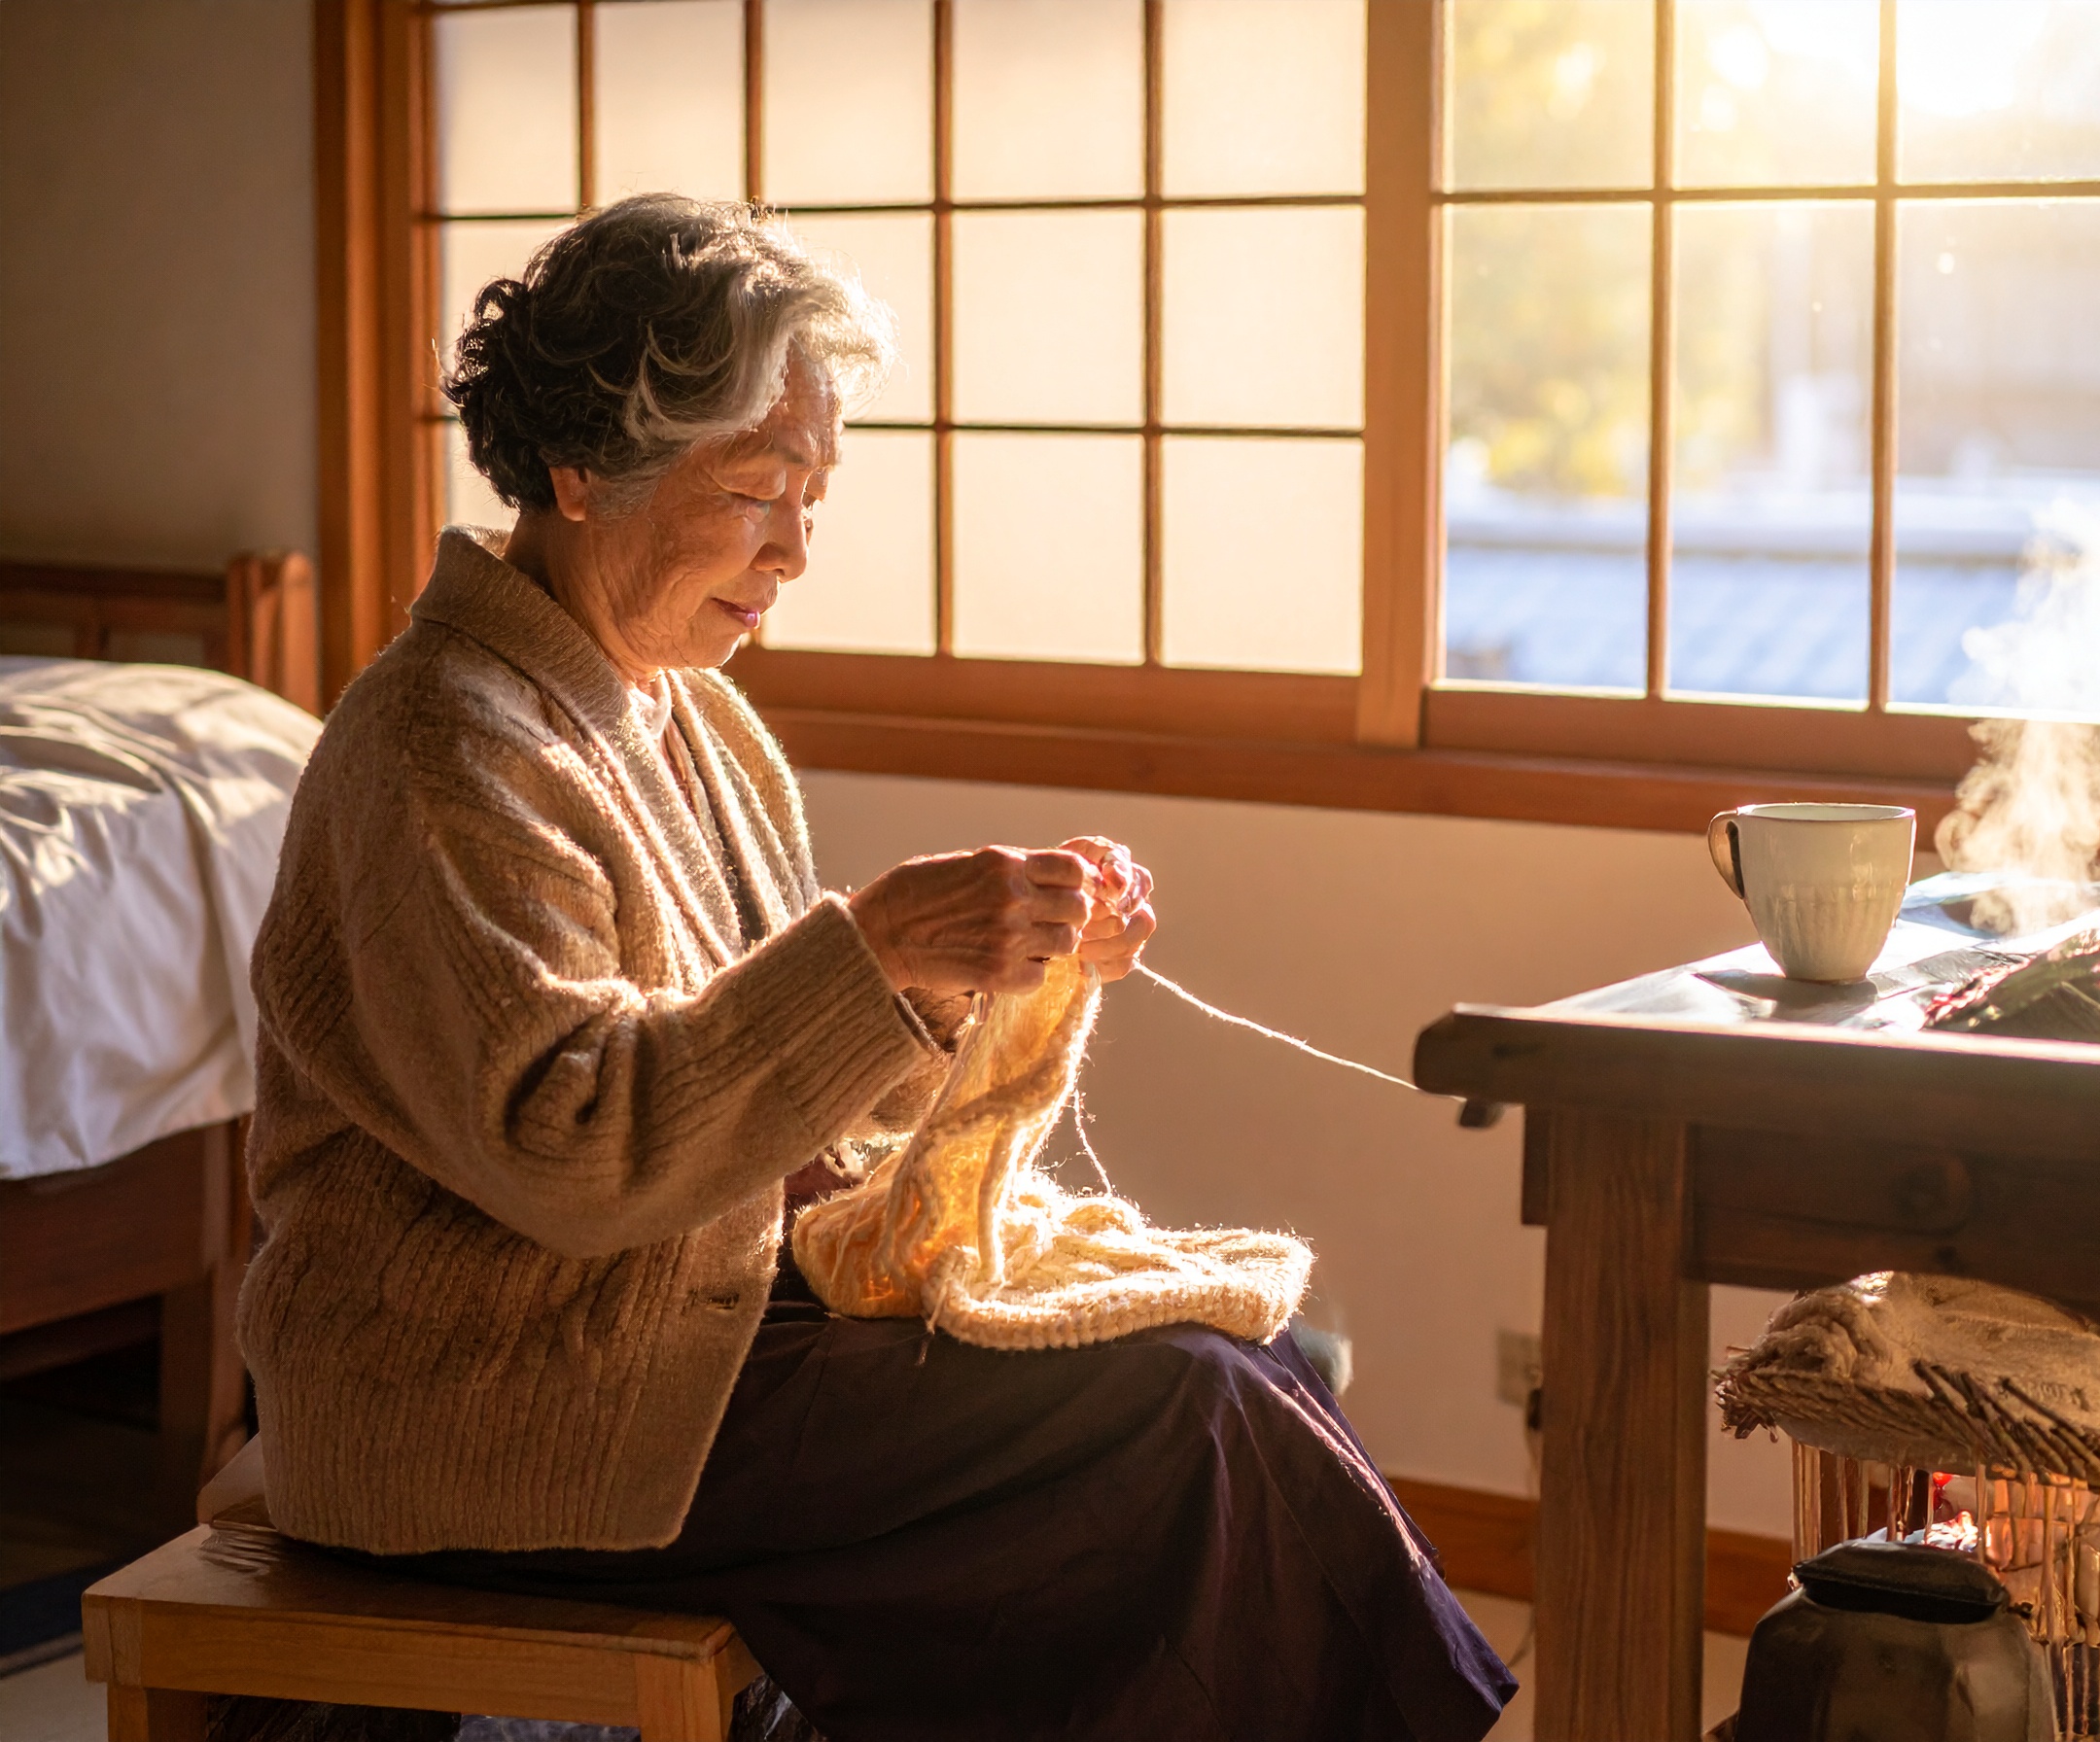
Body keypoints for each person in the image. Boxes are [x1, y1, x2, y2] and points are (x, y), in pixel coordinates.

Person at [241, 192, 1513, 1742]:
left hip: (688, 1326)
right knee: (1184, 1416)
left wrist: (967, 979)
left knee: (1262, 1353)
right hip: (493, 1392)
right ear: (583, 469)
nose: (795, 547)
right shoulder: (442, 742)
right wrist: (881, 950)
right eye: (763, 489)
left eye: (816, 495)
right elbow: (575, 1152)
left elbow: (800, 1124)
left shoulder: (689, 717)